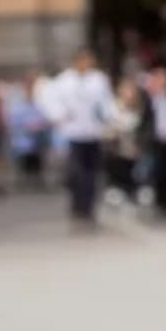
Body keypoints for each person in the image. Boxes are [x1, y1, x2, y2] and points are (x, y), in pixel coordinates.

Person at [44, 48, 115, 228]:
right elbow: (52, 102)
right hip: (73, 132)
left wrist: (109, 119)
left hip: (93, 132)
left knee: (92, 173)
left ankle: (88, 208)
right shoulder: (64, 81)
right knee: (76, 172)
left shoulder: (99, 79)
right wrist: (60, 116)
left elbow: (106, 103)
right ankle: (77, 206)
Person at [139, 68, 166, 220]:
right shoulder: (150, 100)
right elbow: (144, 121)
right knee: (157, 171)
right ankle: (159, 202)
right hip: (156, 141)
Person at [104, 79, 144, 210]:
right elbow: (111, 123)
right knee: (117, 170)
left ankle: (129, 194)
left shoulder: (138, 108)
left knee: (130, 172)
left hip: (131, 146)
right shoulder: (114, 106)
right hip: (116, 146)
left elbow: (137, 126)